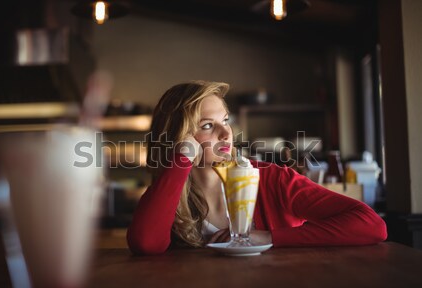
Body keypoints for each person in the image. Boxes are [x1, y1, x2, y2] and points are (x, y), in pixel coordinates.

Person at [127, 80, 387, 255]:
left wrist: (270, 237)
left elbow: (371, 225)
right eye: (207, 125)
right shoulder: (168, 189)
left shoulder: (273, 179)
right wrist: (181, 159)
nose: (226, 133)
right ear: (178, 137)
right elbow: (146, 243)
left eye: (225, 121)